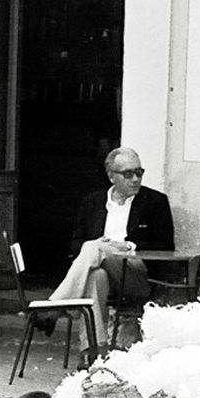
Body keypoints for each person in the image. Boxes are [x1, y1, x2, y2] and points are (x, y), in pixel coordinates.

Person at [43, 148, 175, 351]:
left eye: (139, 172)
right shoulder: (93, 202)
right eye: (128, 174)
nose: (135, 179)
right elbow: (76, 244)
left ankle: (55, 305)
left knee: (94, 248)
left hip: (136, 275)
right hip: (102, 270)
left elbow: (166, 245)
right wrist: (99, 245)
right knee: (96, 276)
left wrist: (130, 246)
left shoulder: (155, 202)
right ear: (111, 176)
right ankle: (94, 349)